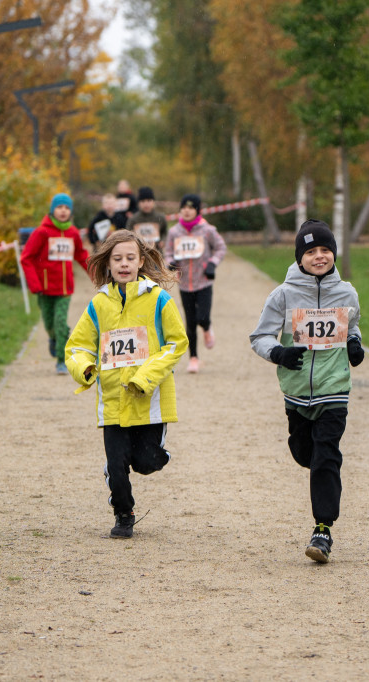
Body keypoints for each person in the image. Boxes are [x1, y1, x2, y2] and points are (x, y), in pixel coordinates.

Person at [249, 219, 364, 564]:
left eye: (325, 250)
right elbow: (260, 338)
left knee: (327, 456)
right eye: (311, 251)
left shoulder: (347, 292)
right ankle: (311, 462)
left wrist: (355, 344)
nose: (319, 256)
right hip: (296, 392)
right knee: (305, 454)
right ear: (300, 257)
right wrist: (279, 353)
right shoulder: (282, 295)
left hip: (334, 388)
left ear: (334, 254)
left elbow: (353, 326)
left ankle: (323, 529)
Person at [65, 230, 188, 538]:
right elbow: (77, 346)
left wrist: (145, 377)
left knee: (146, 462)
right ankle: (123, 513)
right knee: (117, 465)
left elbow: (176, 342)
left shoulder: (159, 299)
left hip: (150, 400)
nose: (124, 264)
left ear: (141, 261)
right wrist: (85, 367)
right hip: (113, 400)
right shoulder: (98, 304)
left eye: (130, 258)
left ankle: (158, 455)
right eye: (117, 259)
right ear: (108, 263)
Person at [20, 192, 90, 374]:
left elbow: (81, 255)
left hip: (64, 288)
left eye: (67, 208)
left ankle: (61, 360)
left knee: (60, 322)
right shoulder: (42, 232)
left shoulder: (73, 233)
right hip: (43, 289)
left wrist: (96, 273)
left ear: (71, 212)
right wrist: (34, 284)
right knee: (49, 324)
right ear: (52, 211)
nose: (63, 211)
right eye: (59, 207)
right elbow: (26, 258)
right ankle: (55, 338)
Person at [163, 194, 226, 374]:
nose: (186, 210)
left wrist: (212, 263)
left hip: (203, 281)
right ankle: (193, 357)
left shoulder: (207, 230)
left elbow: (221, 247)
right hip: (184, 284)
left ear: (197, 210)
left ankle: (207, 328)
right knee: (189, 322)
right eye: (184, 207)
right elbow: (168, 251)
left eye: (191, 207)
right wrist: (171, 262)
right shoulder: (174, 232)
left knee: (202, 317)